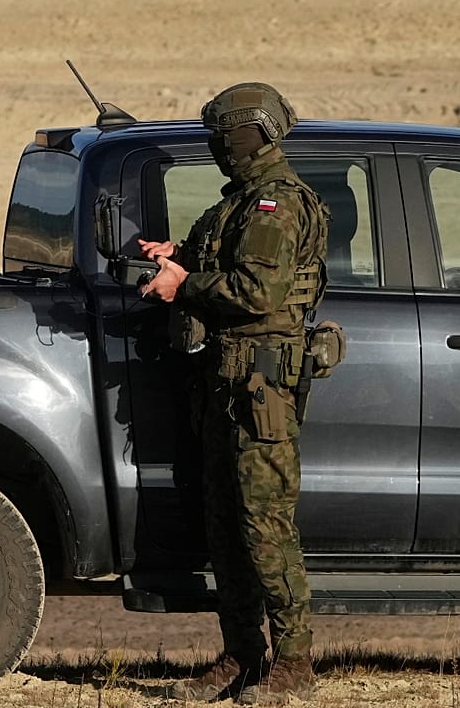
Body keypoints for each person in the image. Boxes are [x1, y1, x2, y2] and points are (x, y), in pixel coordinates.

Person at [139, 82, 328, 705]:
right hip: (224, 388)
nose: (220, 148)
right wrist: (175, 257)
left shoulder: (278, 204)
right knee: (225, 529)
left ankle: (294, 664)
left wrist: (184, 286)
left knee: (266, 528)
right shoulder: (238, 204)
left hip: (262, 394)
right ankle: (243, 655)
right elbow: (214, 256)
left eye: (225, 136)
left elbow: (256, 293)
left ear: (251, 134)